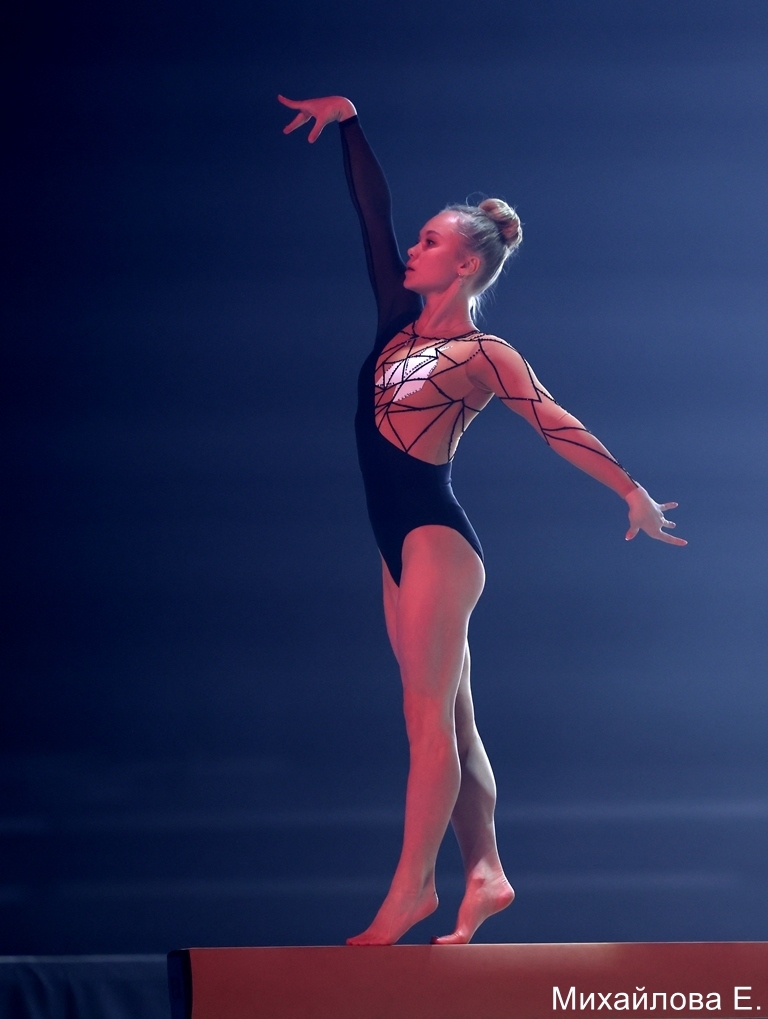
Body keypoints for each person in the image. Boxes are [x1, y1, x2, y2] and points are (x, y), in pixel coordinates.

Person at [279, 94, 686, 947]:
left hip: (436, 540)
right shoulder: (396, 322)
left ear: (465, 265)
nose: (413, 249)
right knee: (454, 723)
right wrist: (350, 121)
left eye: (430, 242)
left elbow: (553, 420)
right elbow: (372, 216)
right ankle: (488, 869)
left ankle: (412, 889)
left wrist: (630, 490)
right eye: (420, 239)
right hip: (395, 547)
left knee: (424, 718)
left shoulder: (483, 353)